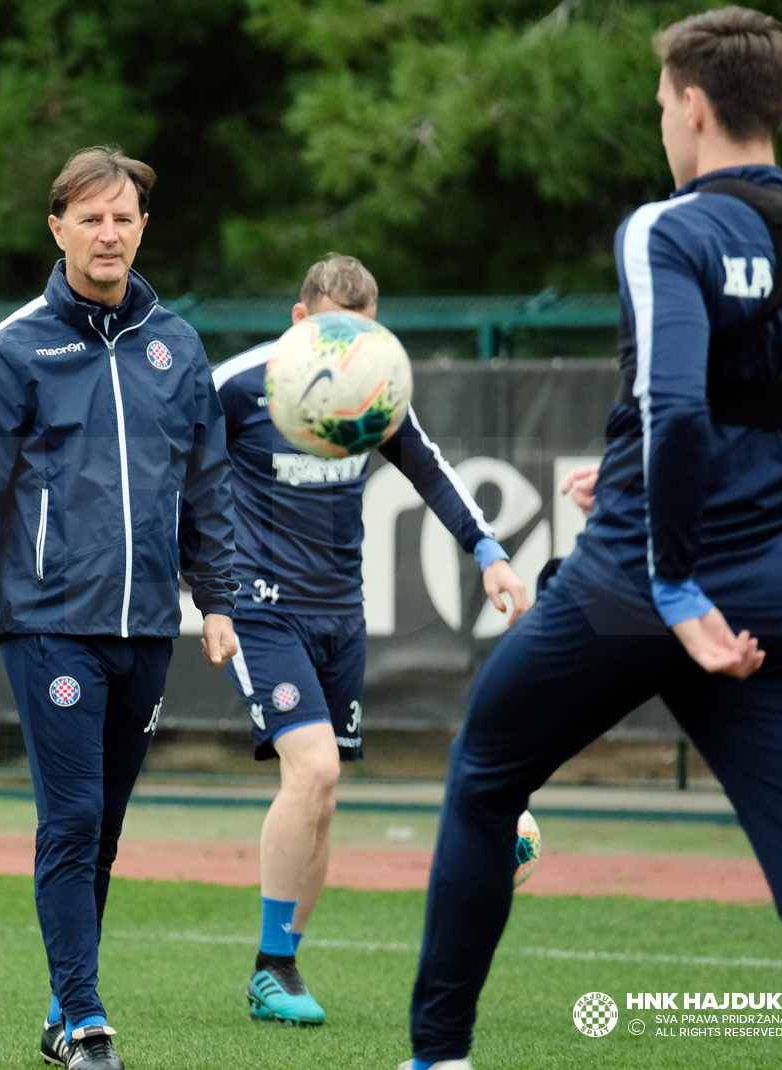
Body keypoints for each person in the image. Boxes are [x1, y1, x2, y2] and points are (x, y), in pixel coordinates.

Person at [401, 8, 782, 1068]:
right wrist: (643, 481)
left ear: (694, 106)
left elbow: (678, 408)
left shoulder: (666, 229)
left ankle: (437, 1055)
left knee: (485, 771)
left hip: (634, 595)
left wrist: (673, 585)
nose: (662, 121)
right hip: (780, 613)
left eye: (662, 103)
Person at [0, 146, 239, 1070]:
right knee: (69, 819)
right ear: (57, 227)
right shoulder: (14, 347)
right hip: (48, 626)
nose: (109, 233)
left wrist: (216, 602)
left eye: (125, 217)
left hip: (148, 629)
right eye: (91, 217)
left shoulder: (177, 345)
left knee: (101, 829)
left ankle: (66, 1009)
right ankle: (87, 1018)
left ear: (143, 228)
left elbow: (208, 490)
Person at [211, 254, 530, 1026]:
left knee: (321, 799)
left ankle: (279, 967)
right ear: (297, 321)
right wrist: (209, 594)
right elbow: (174, 478)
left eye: (360, 334)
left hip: (339, 614)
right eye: (328, 331)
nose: (344, 351)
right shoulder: (238, 383)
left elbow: (431, 470)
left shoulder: (375, 381)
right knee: (313, 769)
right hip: (261, 608)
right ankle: (272, 967)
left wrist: (489, 553)